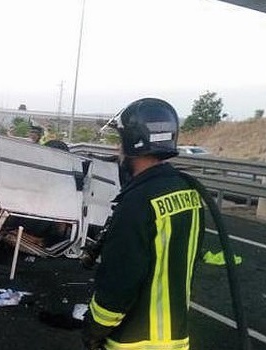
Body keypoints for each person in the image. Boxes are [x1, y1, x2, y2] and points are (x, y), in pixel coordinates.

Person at [82, 98, 205, 350]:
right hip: (176, 340)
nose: (118, 150)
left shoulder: (137, 202)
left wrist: (93, 330)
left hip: (132, 342)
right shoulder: (190, 194)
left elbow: (119, 283)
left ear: (132, 142)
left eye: (120, 142)